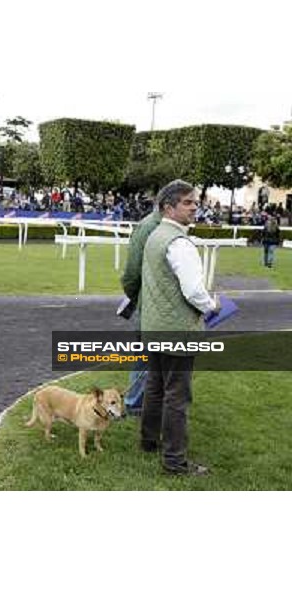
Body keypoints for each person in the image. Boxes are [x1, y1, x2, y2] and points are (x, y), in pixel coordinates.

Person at [139, 179, 219, 476]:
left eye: (195, 202)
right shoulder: (179, 242)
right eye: (187, 202)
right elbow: (193, 290)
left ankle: (148, 441)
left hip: (155, 326)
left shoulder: (155, 235)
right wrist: (213, 306)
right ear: (168, 207)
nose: (194, 207)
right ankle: (174, 461)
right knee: (177, 395)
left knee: (155, 386)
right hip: (177, 329)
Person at [120, 194, 164, 415]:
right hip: (149, 305)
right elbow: (131, 274)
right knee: (145, 355)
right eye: (188, 202)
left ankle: (143, 400)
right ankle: (134, 403)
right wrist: (137, 297)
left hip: (157, 304)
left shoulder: (161, 226)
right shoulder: (149, 227)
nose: (195, 207)